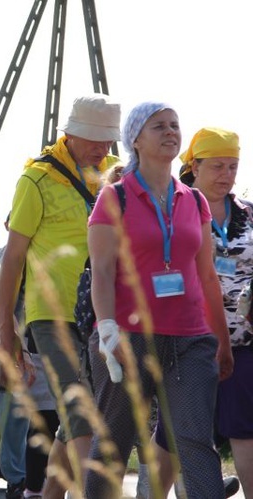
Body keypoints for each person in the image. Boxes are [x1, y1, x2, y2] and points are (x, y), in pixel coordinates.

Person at [85, 103, 233, 498]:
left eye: (174, 126)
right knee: (113, 443)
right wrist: (107, 329)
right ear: (136, 139)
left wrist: (221, 339)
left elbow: (206, 276)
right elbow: (101, 271)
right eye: (159, 127)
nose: (170, 132)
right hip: (128, 337)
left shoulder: (195, 201)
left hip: (189, 340)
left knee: (196, 442)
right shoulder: (115, 198)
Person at [0, 93, 121, 498]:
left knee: (80, 411)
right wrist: (6, 333)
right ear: (69, 134)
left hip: (101, 310)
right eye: (94, 140)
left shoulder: (113, 177)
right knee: (80, 406)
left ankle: (44, 494)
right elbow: (13, 260)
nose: (102, 149)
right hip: (51, 313)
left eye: (108, 141)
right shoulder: (34, 180)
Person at [176, 127, 251, 497]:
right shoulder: (174, 210)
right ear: (195, 166)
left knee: (245, 427)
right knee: (185, 429)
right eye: (218, 166)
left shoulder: (249, 214)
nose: (226, 175)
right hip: (191, 340)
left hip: (243, 339)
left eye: (233, 167)